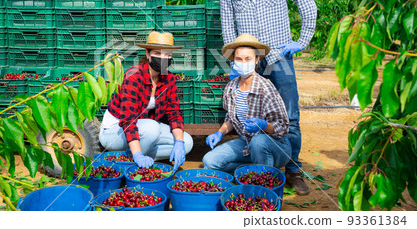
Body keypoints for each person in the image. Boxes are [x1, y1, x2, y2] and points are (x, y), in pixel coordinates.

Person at [219, 0, 317, 195]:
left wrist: (301, 41)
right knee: (251, 114)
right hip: (250, 59)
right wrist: (233, 62)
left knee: (290, 114)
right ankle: (258, 165)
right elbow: (228, 26)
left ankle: (294, 170)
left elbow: (307, 4)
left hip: (279, 56)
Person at [99, 31, 194, 171]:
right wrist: (138, 154)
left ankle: (132, 157)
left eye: (168, 54)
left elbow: (174, 112)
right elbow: (128, 121)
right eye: (157, 53)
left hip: (145, 128)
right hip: (115, 131)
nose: (163, 58)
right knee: (152, 128)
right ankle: (131, 162)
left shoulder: (169, 79)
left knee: (187, 142)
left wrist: (179, 142)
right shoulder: (134, 76)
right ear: (148, 54)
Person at [203, 34, 291, 173]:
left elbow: (282, 127)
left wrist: (263, 125)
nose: (243, 62)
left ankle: (263, 177)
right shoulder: (231, 87)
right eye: (239, 59)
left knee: (258, 142)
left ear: (257, 60)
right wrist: (219, 133)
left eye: (248, 59)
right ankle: (251, 170)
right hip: (246, 142)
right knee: (209, 161)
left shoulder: (265, 88)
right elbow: (231, 119)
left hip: (275, 145)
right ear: (234, 61)